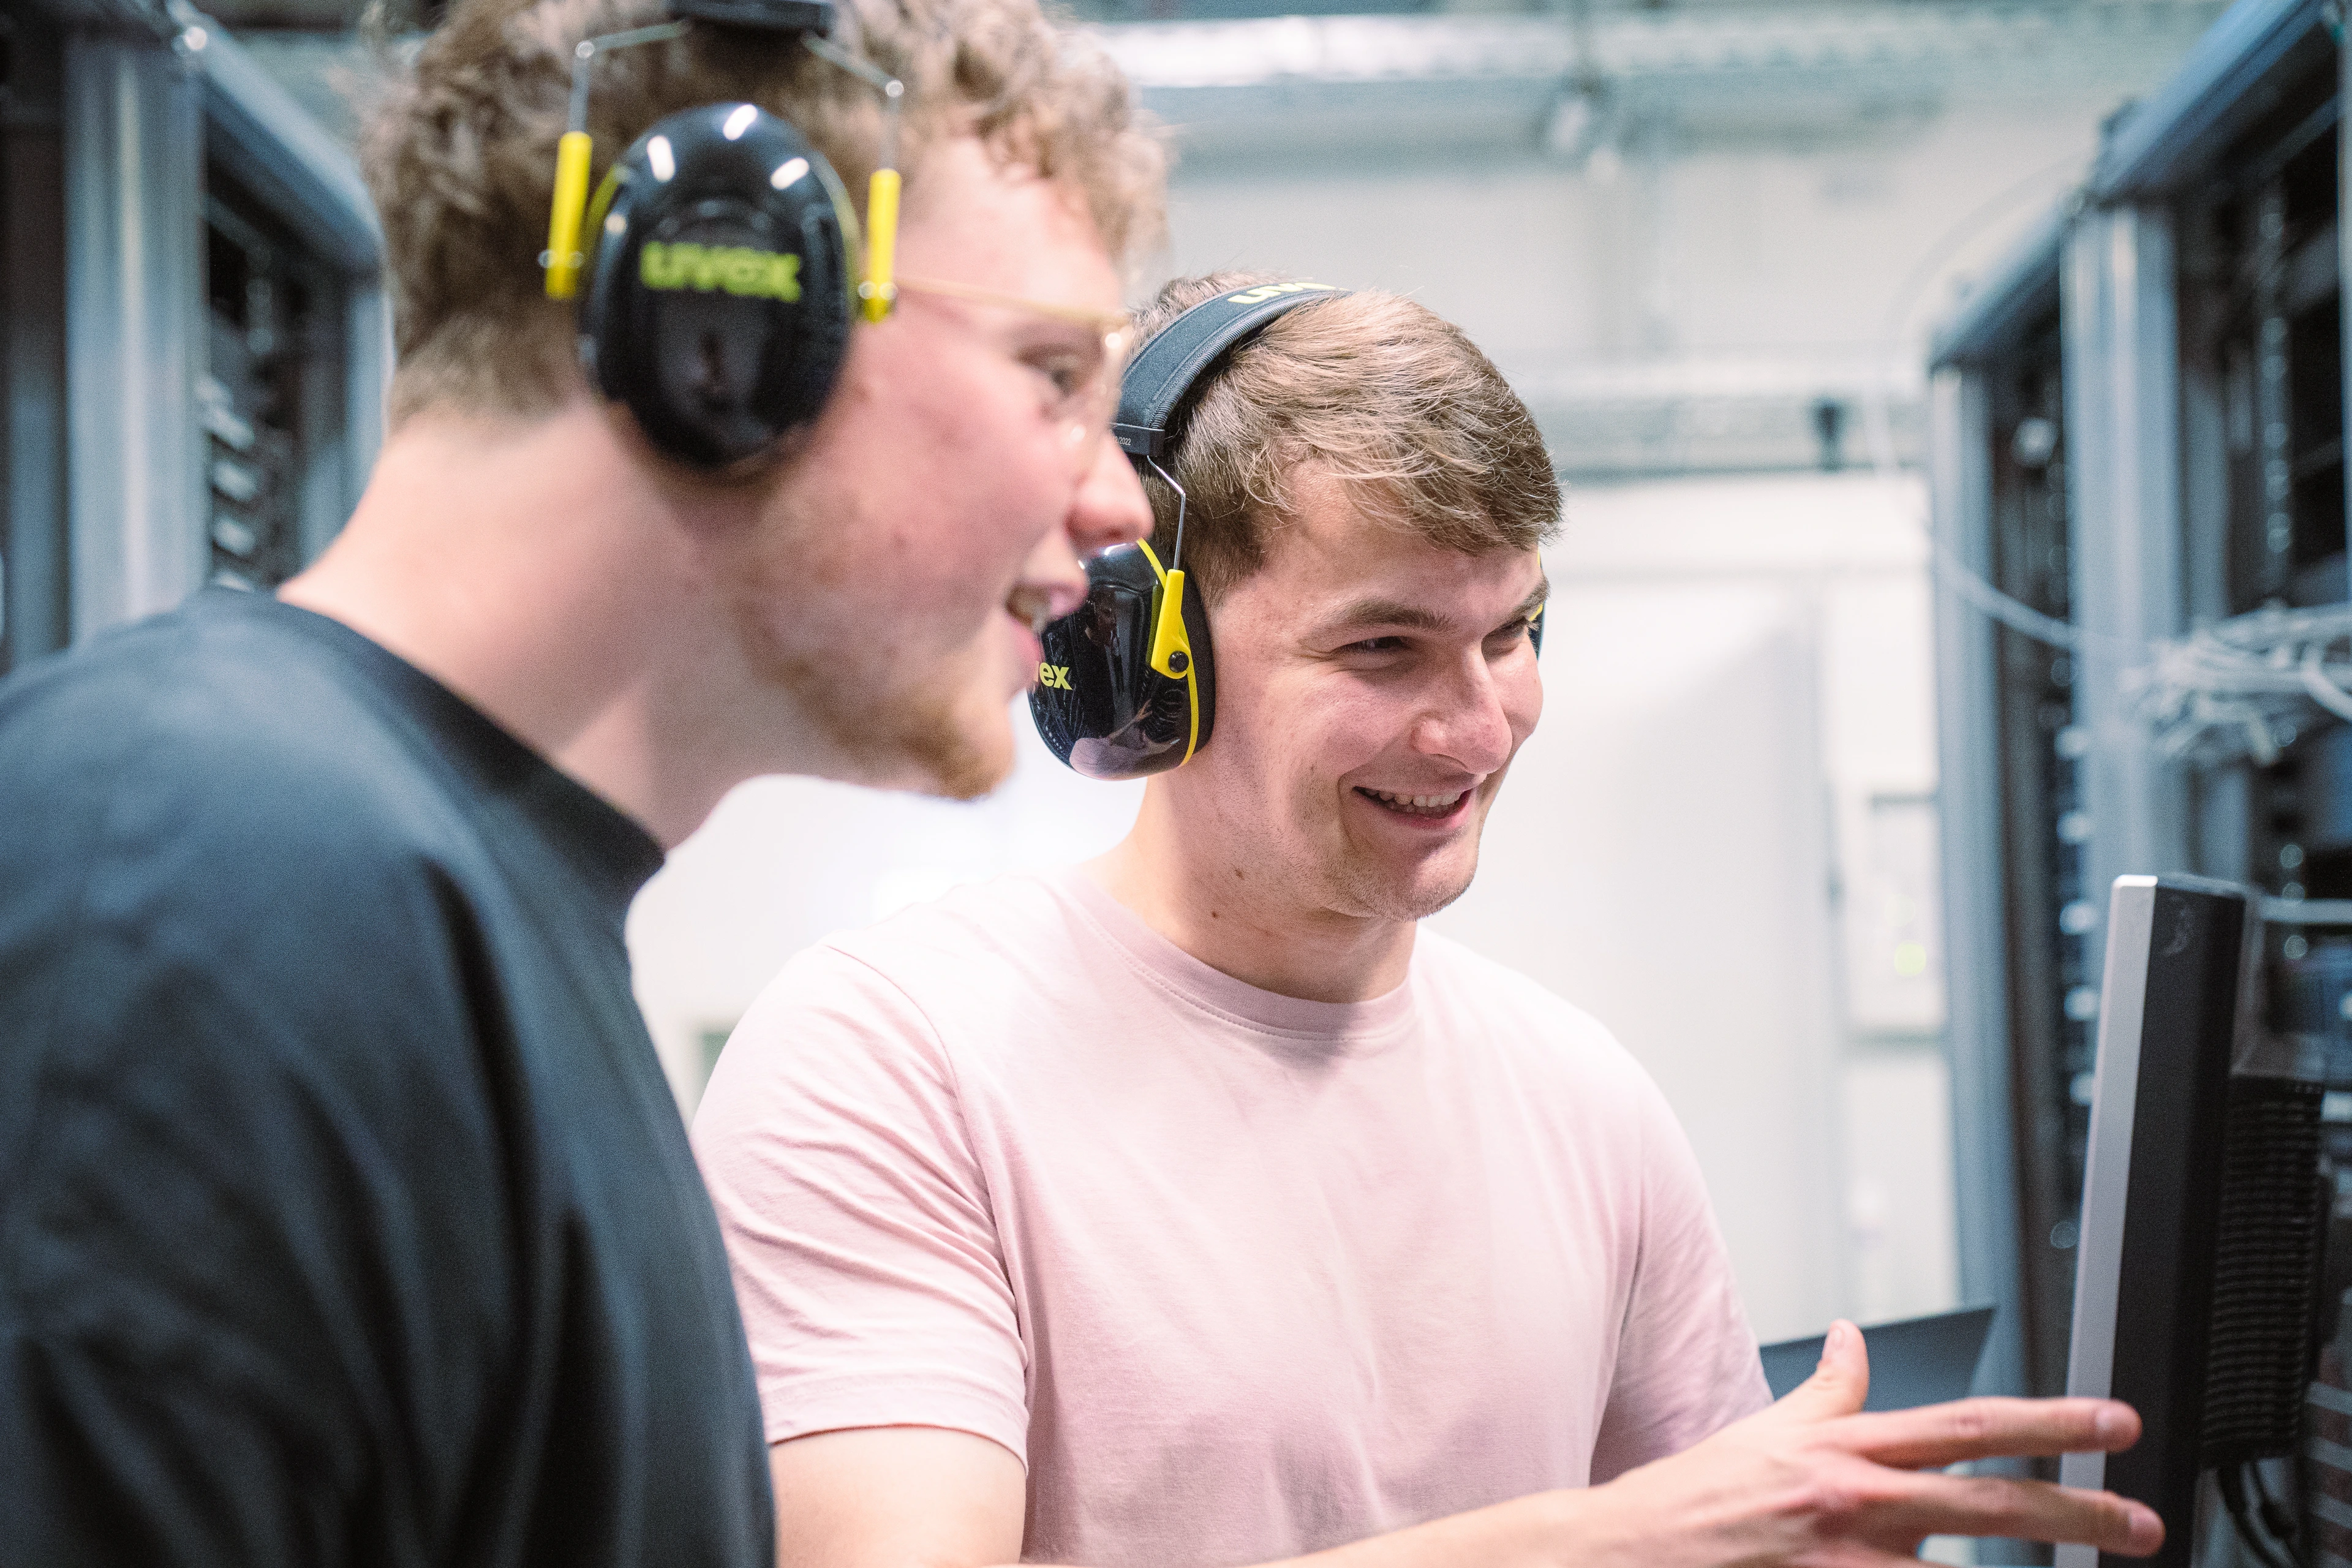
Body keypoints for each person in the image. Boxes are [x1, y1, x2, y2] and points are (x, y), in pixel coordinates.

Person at [690, 274, 2166, 1568]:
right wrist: (1602, 1541)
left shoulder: (1584, 1100)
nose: (1476, 730)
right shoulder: (890, 1063)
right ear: (1140, 659)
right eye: (1382, 646)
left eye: (1512, 633)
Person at [0, 0, 1159, 1559]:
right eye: (1053, 373)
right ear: (728, 309)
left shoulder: (448, 919)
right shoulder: (204, 893)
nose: (1113, 502)